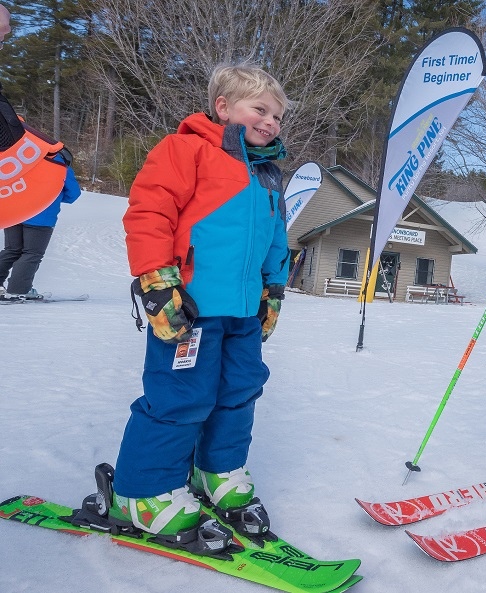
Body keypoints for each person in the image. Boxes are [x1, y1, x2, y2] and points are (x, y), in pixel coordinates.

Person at [102, 63, 290, 548]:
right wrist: (156, 281)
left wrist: (274, 289)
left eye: (278, 116)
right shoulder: (184, 150)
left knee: (240, 390)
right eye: (261, 110)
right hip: (189, 310)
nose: (271, 122)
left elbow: (276, 242)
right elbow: (149, 213)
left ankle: (216, 470)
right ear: (224, 108)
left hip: (244, 313)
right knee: (181, 396)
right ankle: (141, 493)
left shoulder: (269, 175)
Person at [0, 152, 81, 300]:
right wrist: (53, 198)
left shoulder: (24, 159)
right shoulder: (60, 165)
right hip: (41, 218)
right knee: (32, 253)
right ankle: (18, 290)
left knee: (11, 250)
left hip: (15, 213)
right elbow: (73, 194)